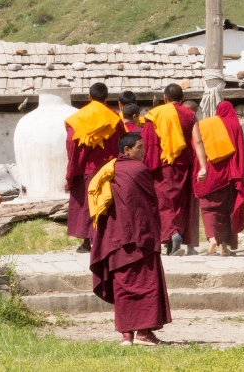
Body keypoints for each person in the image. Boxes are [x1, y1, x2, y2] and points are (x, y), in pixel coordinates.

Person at [90, 130, 171, 345]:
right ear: (127, 150)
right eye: (139, 148)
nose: (143, 152)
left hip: (116, 239)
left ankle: (127, 335)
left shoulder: (108, 170)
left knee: (123, 285)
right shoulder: (138, 169)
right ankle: (144, 333)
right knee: (146, 284)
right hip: (139, 238)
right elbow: (148, 206)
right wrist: (154, 234)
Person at [65, 82, 124, 253]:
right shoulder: (113, 117)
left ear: (89, 97)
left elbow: (72, 145)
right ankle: (105, 240)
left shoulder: (78, 118)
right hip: (108, 167)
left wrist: (73, 166)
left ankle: (86, 242)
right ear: (107, 97)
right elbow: (122, 141)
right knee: (106, 202)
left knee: (86, 203)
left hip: (86, 167)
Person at [144, 83, 199, 255]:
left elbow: (148, 141)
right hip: (184, 165)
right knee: (180, 203)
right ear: (182, 99)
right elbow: (197, 141)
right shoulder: (189, 114)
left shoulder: (155, 114)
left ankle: (172, 234)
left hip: (162, 165)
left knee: (164, 203)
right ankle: (173, 239)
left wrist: (146, 165)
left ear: (165, 98)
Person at [193, 96, 244, 256]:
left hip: (208, 172)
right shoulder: (235, 125)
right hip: (228, 175)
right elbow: (239, 152)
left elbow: (196, 145)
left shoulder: (206, 124)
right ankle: (224, 246)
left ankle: (212, 239)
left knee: (209, 209)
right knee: (225, 210)